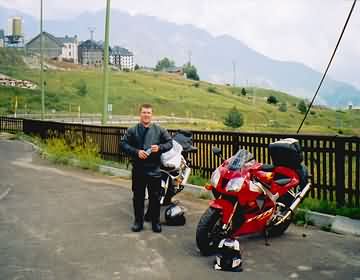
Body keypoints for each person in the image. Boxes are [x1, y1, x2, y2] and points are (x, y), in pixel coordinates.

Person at [121, 104, 173, 233]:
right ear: (140, 114)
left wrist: (159, 148)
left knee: (155, 198)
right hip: (138, 169)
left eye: (149, 113)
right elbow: (123, 144)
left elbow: (170, 143)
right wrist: (136, 152)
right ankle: (138, 222)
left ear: (152, 115)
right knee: (138, 197)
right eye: (144, 112)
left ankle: (156, 223)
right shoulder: (132, 130)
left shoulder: (160, 130)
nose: (146, 115)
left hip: (154, 169)